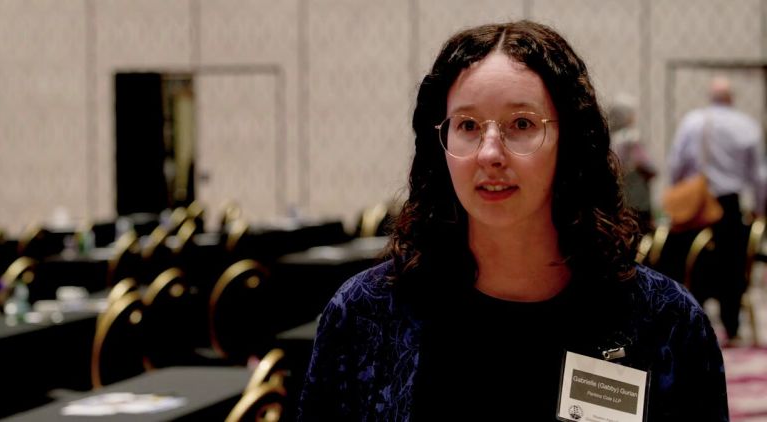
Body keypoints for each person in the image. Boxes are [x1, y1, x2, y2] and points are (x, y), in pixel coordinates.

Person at [299, 21, 728, 420]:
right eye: (468, 125)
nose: (489, 153)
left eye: (521, 123)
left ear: (570, 142)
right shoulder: (365, 315)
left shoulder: (665, 323)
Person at [668, 76, 767, 344]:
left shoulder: (693, 121)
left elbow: (675, 164)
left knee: (688, 264)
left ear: (710, 97)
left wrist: (681, 193)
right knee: (732, 269)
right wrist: (759, 210)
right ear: (731, 98)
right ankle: (732, 328)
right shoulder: (746, 125)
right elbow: (759, 176)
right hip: (728, 205)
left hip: (696, 205)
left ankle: (687, 324)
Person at [608, 94, 657, 232]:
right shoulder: (632, 138)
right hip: (638, 200)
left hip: (619, 200)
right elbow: (648, 166)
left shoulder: (609, 139)